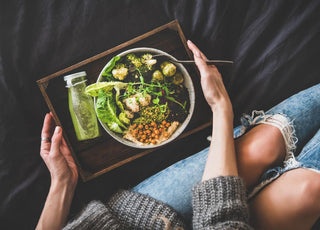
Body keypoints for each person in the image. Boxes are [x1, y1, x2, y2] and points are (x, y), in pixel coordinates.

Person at [36, 41, 320, 230]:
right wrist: (221, 109)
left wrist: (61, 184)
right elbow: (220, 219)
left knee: (262, 145)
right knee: (309, 191)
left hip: (137, 219)